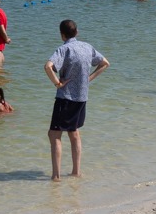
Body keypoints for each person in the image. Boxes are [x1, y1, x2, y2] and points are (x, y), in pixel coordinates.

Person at [44, 18, 108, 180]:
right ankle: (76, 172)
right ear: (77, 32)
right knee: (74, 133)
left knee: (54, 135)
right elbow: (105, 63)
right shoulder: (87, 47)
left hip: (65, 98)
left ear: (62, 35)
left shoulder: (64, 49)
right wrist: (89, 78)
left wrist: (57, 83)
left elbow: (48, 66)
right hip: (81, 98)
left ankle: (56, 176)